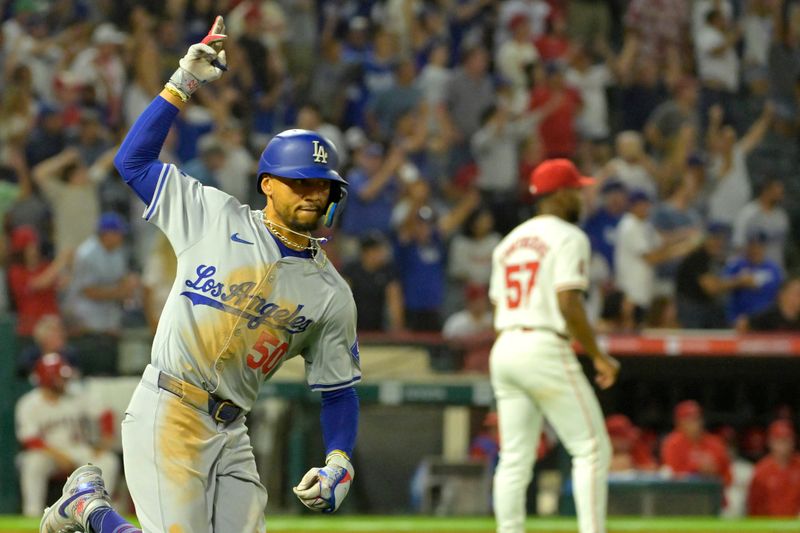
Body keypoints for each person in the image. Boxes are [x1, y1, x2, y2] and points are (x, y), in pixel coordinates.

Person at [41, 17, 359, 533]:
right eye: (299, 182)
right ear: (268, 185)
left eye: (322, 185)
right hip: (170, 405)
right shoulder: (214, 215)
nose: (312, 193)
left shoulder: (331, 294)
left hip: (233, 430)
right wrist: (181, 84)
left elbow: (339, 390)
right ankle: (89, 510)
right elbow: (134, 162)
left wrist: (340, 459)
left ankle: (88, 509)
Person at [489, 159, 620, 533]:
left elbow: (500, 304)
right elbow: (568, 302)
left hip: (507, 344)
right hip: (543, 343)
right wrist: (598, 356)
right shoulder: (569, 236)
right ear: (559, 195)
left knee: (514, 457)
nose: (580, 195)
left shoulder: (508, 242)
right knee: (592, 449)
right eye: (576, 189)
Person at [16, 353, 119, 518]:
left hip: (78, 449)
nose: (65, 381)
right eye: (59, 377)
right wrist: (59, 456)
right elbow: (30, 440)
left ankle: (98, 513)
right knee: (32, 462)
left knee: (108, 461)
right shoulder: (29, 403)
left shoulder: (76, 394)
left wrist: (103, 443)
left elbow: (105, 413)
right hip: (47, 453)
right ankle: (32, 514)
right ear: (48, 379)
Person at [341, 232, 405, 332]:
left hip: (378, 329)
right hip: (354, 329)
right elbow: (342, 300)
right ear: (366, 252)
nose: (382, 253)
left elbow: (394, 300)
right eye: (377, 250)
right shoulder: (351, 271)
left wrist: (397, 328)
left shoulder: (387, 271)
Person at [660, 400, 732, 486]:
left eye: (697, 418)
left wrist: (714, 473)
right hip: (685, 495)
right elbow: (674, 476)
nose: (695, 423)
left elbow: (729, 478)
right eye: (689, 419)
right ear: (679, 423)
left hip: (712, 494)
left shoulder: (715, 443)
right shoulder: (672, 443)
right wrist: (697, 468)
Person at [747, 420, 800, 516]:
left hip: (796, 525)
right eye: (779, 440)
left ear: (793, 441)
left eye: (787, 440)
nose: (783, 445)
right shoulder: (762, 470)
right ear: (771, 442)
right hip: (770, 526)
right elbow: (754, 506)